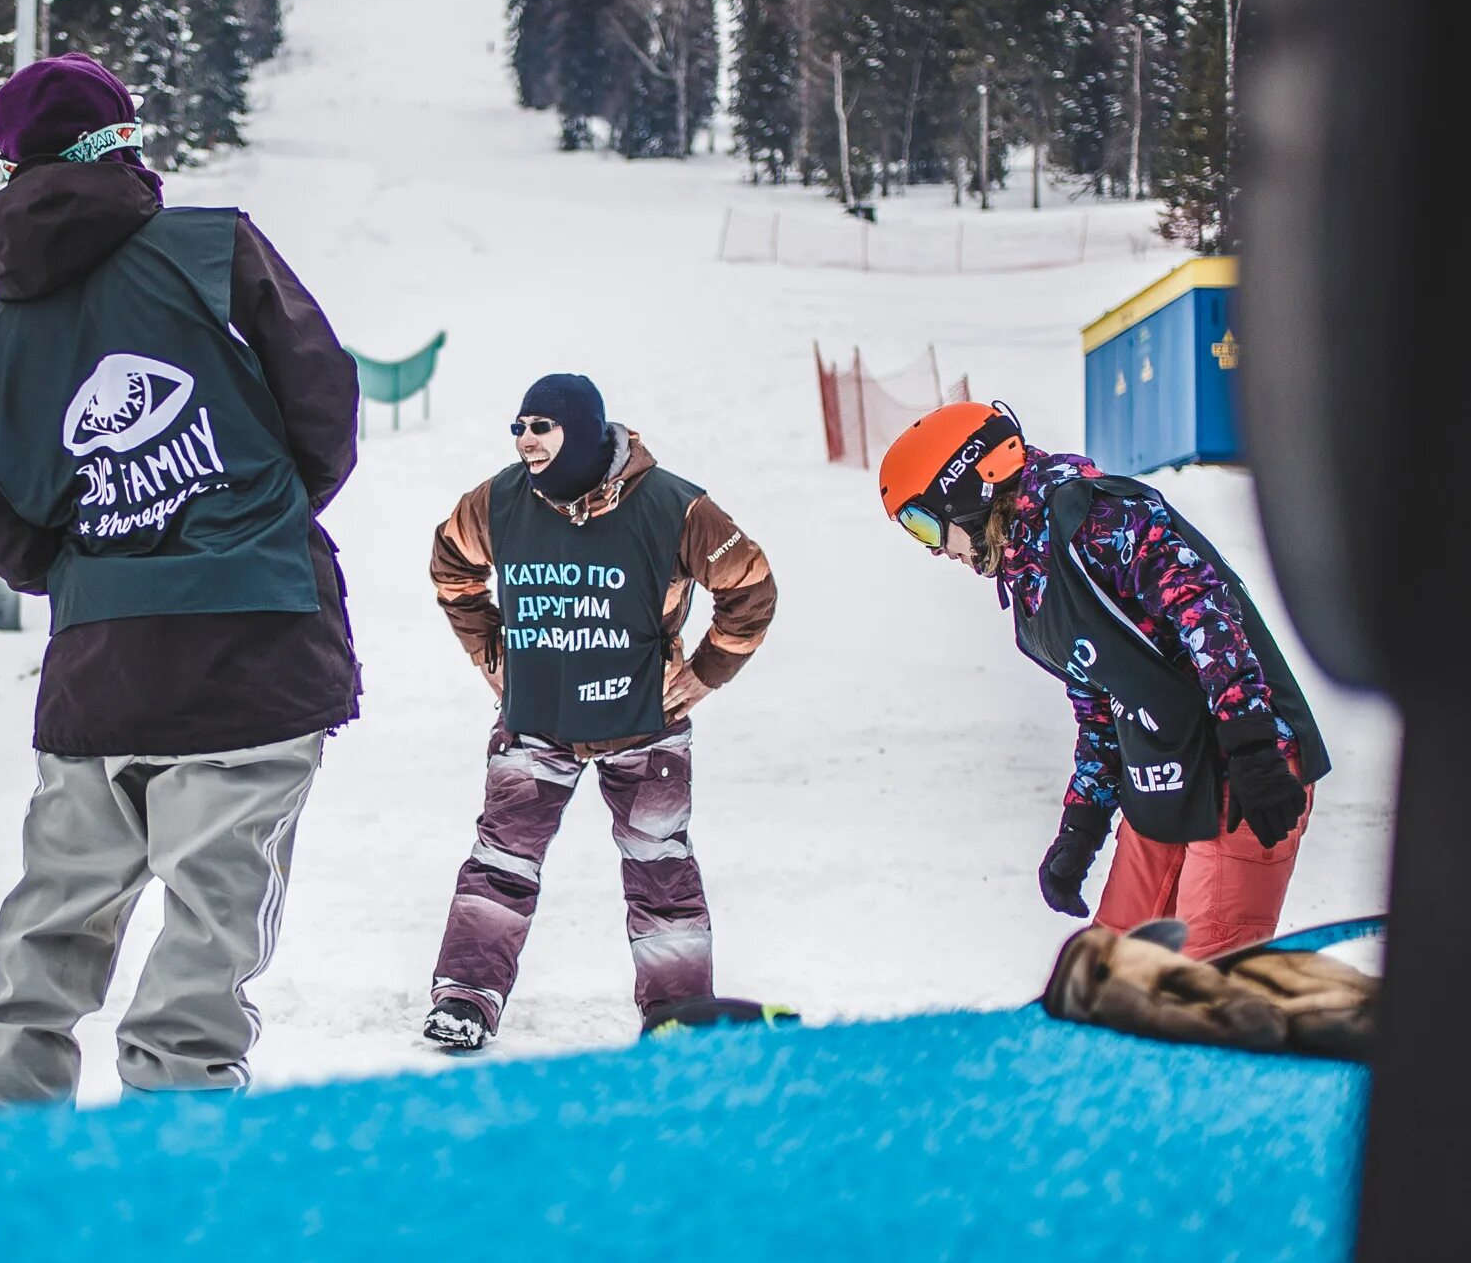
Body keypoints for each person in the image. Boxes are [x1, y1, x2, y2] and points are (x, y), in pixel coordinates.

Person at [0, 52, 360, 1107]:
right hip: (252, 654)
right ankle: (176, 1175)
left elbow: (12, 535)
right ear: (126, 140)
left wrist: (105, 559)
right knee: (208, 945)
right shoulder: (210, 249)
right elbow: (324, 407)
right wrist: (250, 515)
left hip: (101, 673)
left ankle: (3, 1159)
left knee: (49, 933)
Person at [877, 403, 1332, 957]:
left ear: (966, 488)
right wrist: (1082, 826)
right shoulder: (1030, 575)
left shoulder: (1095, 517)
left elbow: (1204, 610)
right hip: (1166, 771)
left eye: (922, 523)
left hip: (1242, 768)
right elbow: (1100, 698)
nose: (931, 547)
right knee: (1112, 971)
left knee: (1202, 982)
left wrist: (1254, 749)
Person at [418, 374, 777, 1050]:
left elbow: (750, 586)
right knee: (501, 863)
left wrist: (703, 673)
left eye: (541, 426)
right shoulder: (498, 501)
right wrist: (489, 653)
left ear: (581, 430)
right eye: (518, 426)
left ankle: (679, 1016)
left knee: (661, 875)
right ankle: (465, 998)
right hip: (534, 724)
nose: (525, 439)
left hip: (643, 727)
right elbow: (452, 566)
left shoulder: (676, 506)